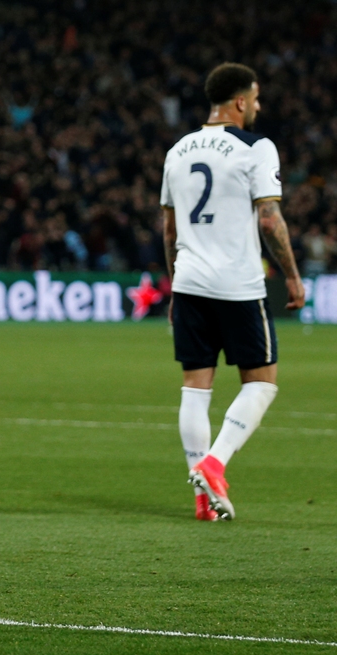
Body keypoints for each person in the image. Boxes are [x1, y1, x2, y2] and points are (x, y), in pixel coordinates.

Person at [160, 62, 304, 521]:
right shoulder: (257, 147)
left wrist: (174, 288)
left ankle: (203, 502)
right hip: (238, 285)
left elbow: (168, 229)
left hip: (189, 283)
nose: (258, 107)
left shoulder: (178, 150)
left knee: (195, 388)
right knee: (262, 382)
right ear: (240, 101)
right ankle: (215, 464)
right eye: (256, 99)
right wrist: (293, 276)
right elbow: (269, 218)